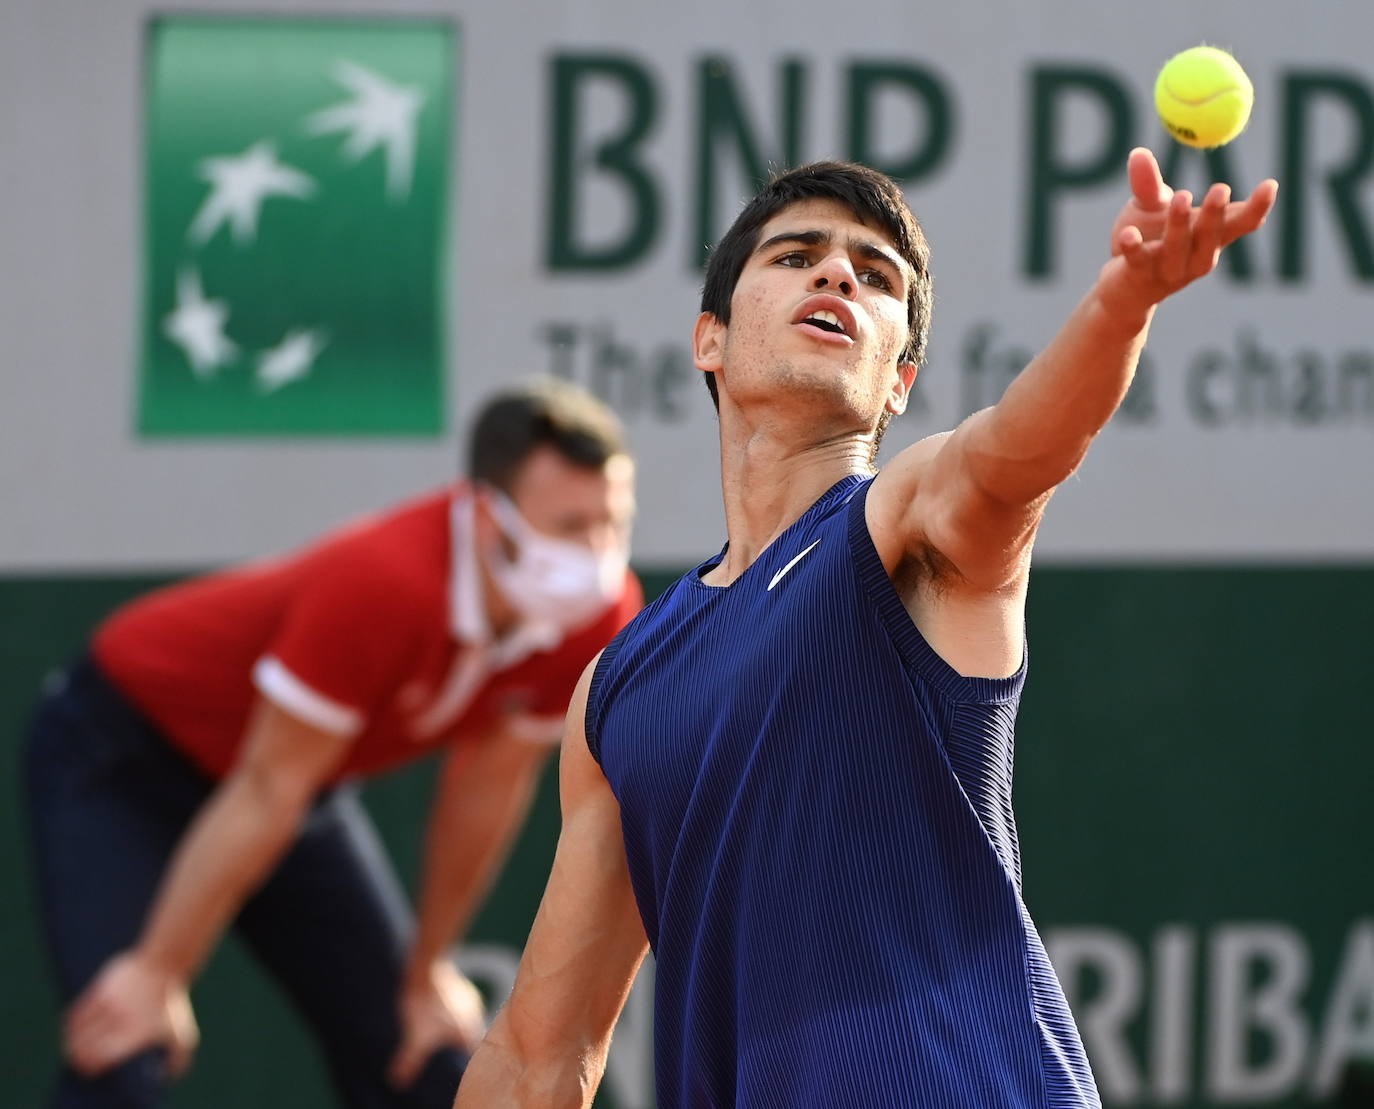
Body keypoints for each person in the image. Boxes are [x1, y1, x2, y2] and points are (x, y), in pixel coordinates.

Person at [452, 150, 1278, 1108]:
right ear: (708, 339)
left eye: (875, 275)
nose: (837, 273)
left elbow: (1015, 452)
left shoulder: (908, 524)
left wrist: (1122, 303)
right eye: (796, 255)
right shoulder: (621, 687)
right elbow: (538, 1053)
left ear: (900, 381)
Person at [24, 378, 642, 1108]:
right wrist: (160, 971)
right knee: (123, 1044)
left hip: (289, 785)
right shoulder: (383, 581)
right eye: (569, 526)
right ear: (484, 516)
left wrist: (425, 973)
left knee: (415, 1053)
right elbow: (264, 790)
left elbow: (487, 786)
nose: (596, 553)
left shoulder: (599, 616)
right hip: (119, 751)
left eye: (611, 522)